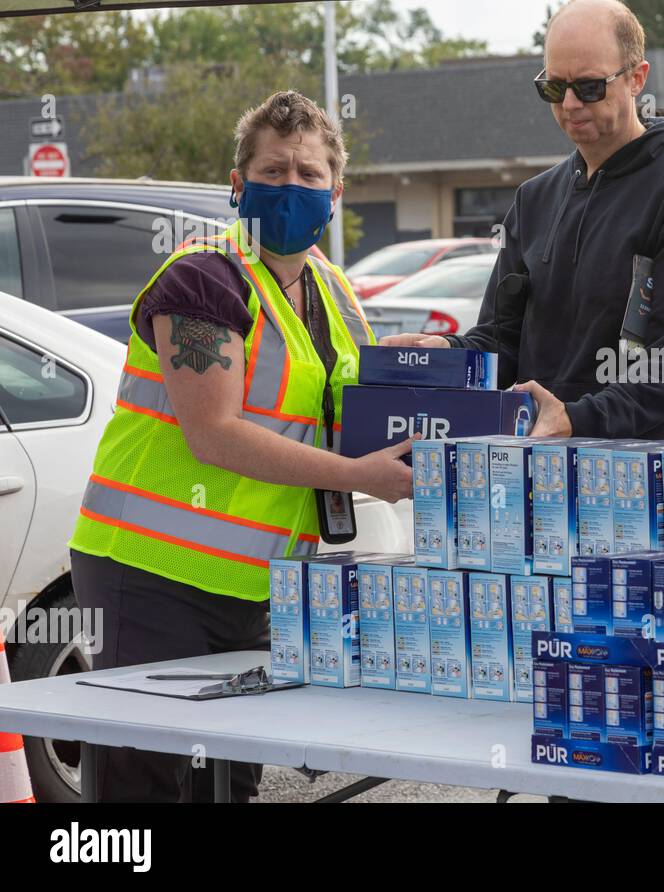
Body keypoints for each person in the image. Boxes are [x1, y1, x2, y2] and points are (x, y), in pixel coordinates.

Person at [67, 90, 413, 802]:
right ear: (237, 185)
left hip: (260, 585)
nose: (292, 188)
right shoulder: (204, 277)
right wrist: (359, 475)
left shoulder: (335, 292)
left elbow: (338, 403)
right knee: (143, 782)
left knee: (227, 782)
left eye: (309, 175)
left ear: (337, 192)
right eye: (274, 172)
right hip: (151, 572)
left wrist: (418, 367)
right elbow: (213, 433)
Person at [384, 0, 664, 439]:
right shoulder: (534, 199)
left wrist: (576, 419)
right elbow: (502, 338)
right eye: (554, 88)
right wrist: (447, 351)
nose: (570, 103)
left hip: (653, 475)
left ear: (637, 78)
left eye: (590, 86)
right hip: (544, 464)